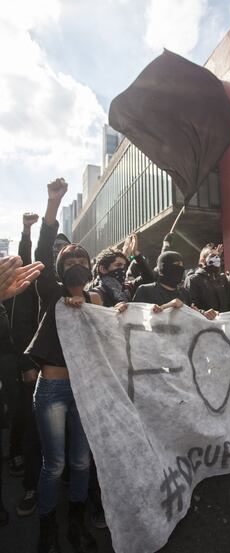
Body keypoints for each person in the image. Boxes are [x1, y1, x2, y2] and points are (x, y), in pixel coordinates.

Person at [27, 178, 103, 553]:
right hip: (53, 390)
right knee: (54, 463)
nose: (76, 263)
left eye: (81, 260)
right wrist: (53, 204)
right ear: (59, 268)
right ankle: (47, 528)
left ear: (89, 268)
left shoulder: (97, 298)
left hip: (86, 391)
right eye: (69, 260)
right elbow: (42, 249)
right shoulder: (50, 292)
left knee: (81, 462)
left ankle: (76, 523)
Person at [3, 213, 43, 517]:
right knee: (22, 413)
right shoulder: (16, 294)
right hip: (19, 360)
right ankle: (17, 453)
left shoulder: (52, 287)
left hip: (45, 364)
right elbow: (29, 256)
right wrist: (27, 231)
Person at [184, 243, 230, 313]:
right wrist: (204, 313)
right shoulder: (193, 280)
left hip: (225, 323)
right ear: (203, 260)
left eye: (218, 256)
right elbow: (191, 308)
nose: (217, 259)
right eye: (213, 256)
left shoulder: (222, 279)